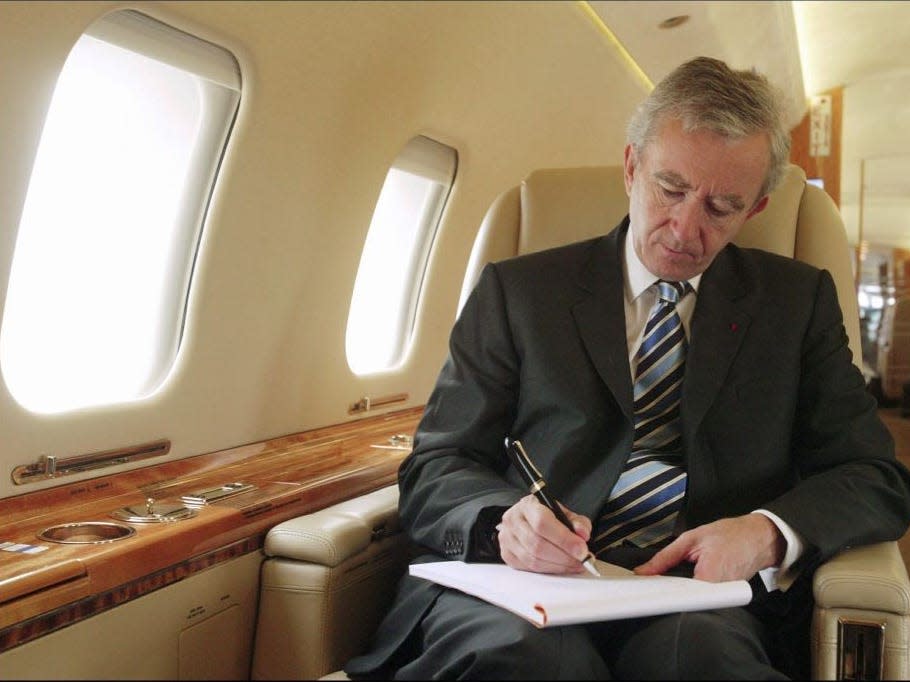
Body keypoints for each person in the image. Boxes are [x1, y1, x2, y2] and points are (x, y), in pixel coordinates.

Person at [345, 56, 910, 680]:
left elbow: (872, 474)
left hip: (697, 599)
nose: (685, 228)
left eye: (721, 207)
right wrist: (501, 521)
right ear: (631, 166)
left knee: (701, 662)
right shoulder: (520, 292)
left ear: (756, 209)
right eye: (670, 189)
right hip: (522, 584)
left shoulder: (795, 305)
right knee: (524, 661)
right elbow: (436, 463)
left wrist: (767, 533)